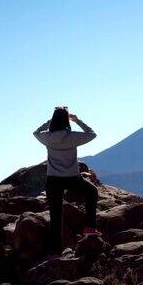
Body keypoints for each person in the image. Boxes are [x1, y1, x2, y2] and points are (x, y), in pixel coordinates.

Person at [33, 106, 100, 254]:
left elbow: (35, 132)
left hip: (53, 180)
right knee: (91, 192)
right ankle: (89, 227)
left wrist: (48, 122)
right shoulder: (73, 137)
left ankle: (56, 252)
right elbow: (92, 134)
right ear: (66, 120)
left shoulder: (47, 137)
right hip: (72, 178)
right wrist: (77, 120)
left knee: (56, 216)